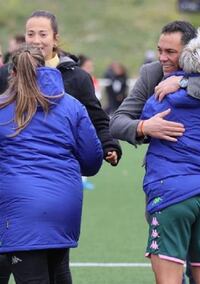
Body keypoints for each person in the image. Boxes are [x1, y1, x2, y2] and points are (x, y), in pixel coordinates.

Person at [110, 20, 200, 284]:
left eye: (170, 52)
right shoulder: (152, 73)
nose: (163, 57)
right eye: (159, 50)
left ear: (188, 51)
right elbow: (118, 121)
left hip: (180, 188)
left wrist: (183, 83)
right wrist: (144, 126)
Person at [0, 10, 121, 283]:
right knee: (56, 270)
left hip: (18, 206)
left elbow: (99, 119)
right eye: (31, 33)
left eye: (43, 33)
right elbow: (91, 159)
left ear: (55, 39)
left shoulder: (74, 80)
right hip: (62, 201)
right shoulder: (70, 104)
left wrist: (109, 143)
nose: (37, 39)